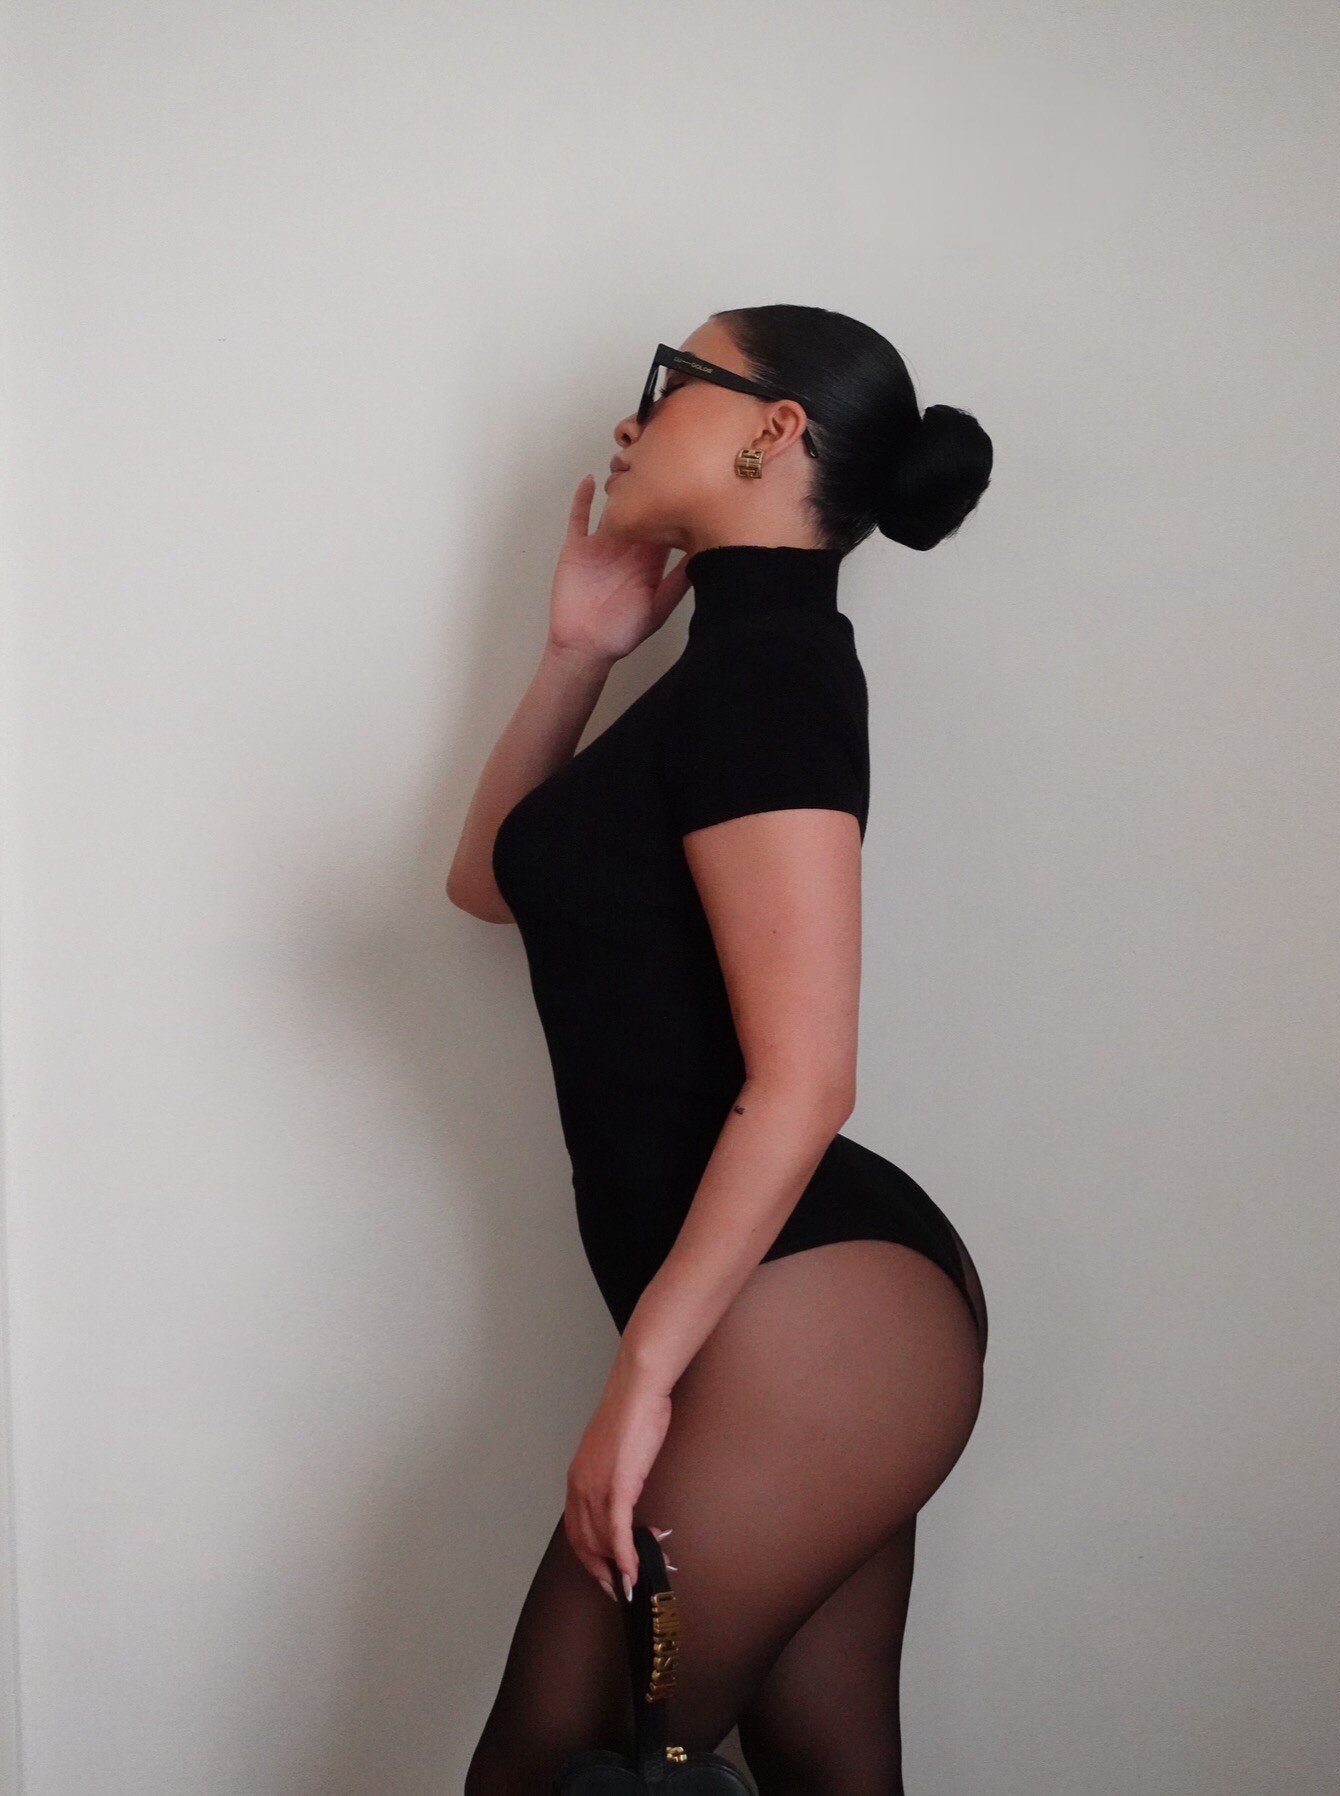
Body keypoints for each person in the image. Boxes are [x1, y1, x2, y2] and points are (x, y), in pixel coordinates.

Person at [448, 303, 994, 1794]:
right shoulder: (724, 670)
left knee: (559, 1761)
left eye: (669, 383)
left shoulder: (773, 674)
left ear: (774, 431)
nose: (630, 422)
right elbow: (491, 880)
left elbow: (806, 1076)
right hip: (824, 1325)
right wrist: (577, 653)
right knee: (823, 1770)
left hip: (816, 1328)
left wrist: (638, 1385)